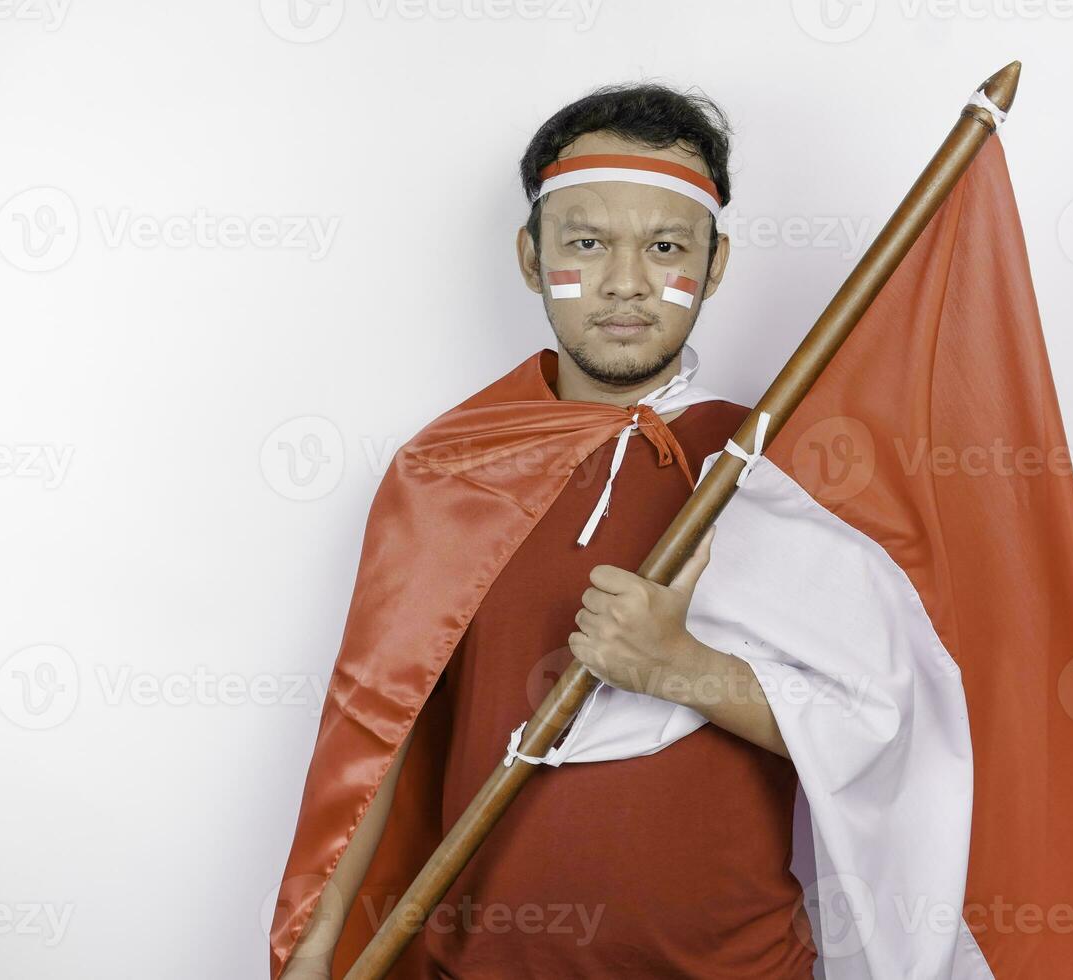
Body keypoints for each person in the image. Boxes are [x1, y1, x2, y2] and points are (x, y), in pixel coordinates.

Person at [276, 82, 816, 979]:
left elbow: (883, 727)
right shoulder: (449, 470)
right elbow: (379, 729)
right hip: (482, 965)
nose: (626, 282)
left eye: (667, 246)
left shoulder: (777, 465)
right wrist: (316, 945)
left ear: (716, 266)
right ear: (531, 257)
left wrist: (682, 669)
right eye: (587, 242)